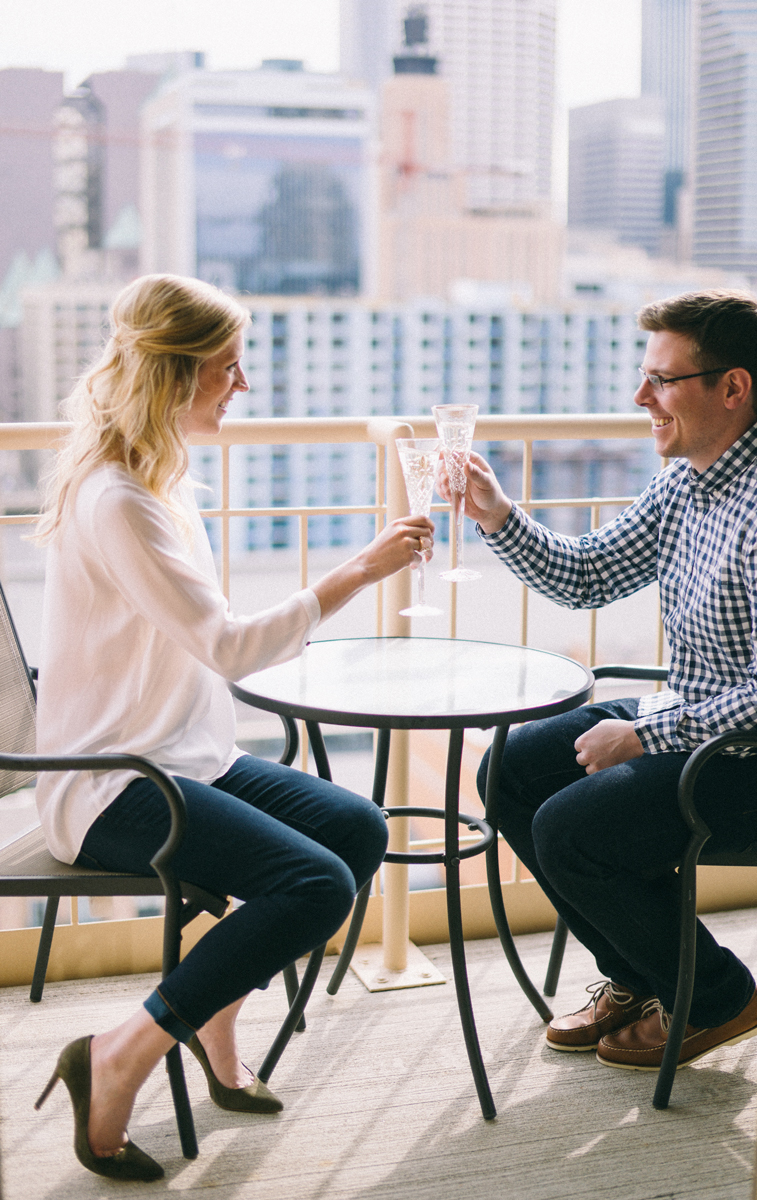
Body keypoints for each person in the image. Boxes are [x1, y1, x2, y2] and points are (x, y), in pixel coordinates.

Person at [32, 273, 435, 1181]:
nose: (242, 385)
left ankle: (212, 1012)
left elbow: (200, 647)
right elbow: (227, 646)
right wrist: (357, 572)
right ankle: (118, 1056)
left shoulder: (158, 482)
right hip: (112, 784)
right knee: (317, 884)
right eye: (227, 367)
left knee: (357, 828)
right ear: (173, 378)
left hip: (182, 758)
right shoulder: (121, 504)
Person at [437, 290, 757, 1073]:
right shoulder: (687, 482)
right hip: (692, 716)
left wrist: (641, 733)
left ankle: (715, 996)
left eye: (662, 381)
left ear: (732, 388)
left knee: (572, 829)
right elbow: (589, 576)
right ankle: (639, 978)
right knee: (511, 770)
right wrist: (497, 514)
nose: (642, 399)